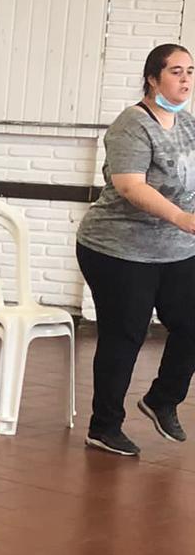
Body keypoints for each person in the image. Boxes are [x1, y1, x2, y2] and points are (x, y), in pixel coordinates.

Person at [75, 43, 195, 456]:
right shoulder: (132, 124)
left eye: (190, 71)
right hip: (118, 249)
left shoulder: (186, 123)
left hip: (175, 250)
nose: (185, 79)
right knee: (125, 334)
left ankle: (162, 399)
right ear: (152, 78)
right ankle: (104, 427)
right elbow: (130, 186)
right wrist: (180, 217)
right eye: (176, 71)